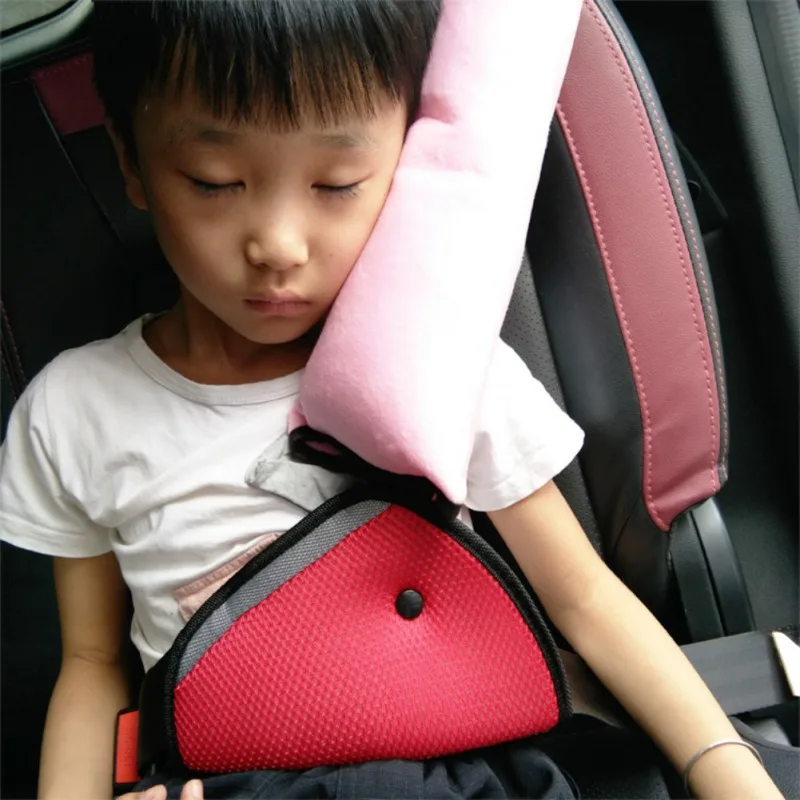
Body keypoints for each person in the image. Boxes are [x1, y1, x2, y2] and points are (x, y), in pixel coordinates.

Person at [0, 1, 781, 799]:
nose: (278, 245)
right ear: (131, 161)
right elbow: (92, 663)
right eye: (215, 181)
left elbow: (582, 597)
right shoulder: (76, 409)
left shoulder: (446, 363)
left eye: (337, 184)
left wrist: (724, 766)